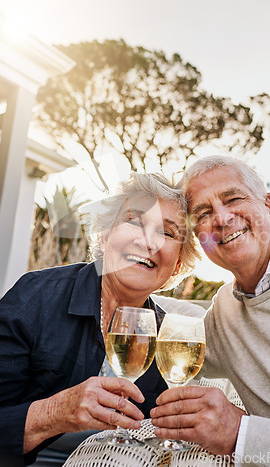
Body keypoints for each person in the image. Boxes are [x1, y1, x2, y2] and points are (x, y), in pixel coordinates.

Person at [0, 172, 200, 467]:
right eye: (134, 220)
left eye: (167, 233)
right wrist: (55, 412)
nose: (146, 240)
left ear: (177, 266)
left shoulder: (167, 338)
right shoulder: (36, 297)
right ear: (105, 237)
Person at [151, 155, 270, 466]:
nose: (221, 219)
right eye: (204, 214)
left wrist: (242, 434)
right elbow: (167, 337)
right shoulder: (224, 312)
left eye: (233, 198)